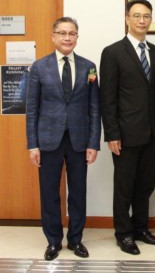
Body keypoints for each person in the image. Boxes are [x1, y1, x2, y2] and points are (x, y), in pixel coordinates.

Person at [26, 17, 100, 261]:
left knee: (78, 192)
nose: (67, 38)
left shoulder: (89, 67)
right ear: (53, 36)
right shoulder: (39, 67)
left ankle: (76, 240)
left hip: (79, 140)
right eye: (62, 33)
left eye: (72, 33)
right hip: (48, 140)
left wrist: (93, 143)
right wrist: (32, 144)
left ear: (77, 37)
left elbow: (94, 108)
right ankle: (53, 241)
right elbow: (32, 109)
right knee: (49, 193)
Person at [100, 0, 155, 255]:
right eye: (137, 16)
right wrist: (112, 134)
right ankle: (123, 233)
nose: (142, 20)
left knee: (146, 184)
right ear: (127, 18)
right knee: (124, 186)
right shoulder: (113, 52)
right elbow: (107, 97)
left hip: (152, 132)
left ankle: (141, 228)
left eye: (146, 16)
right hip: (125, 133)